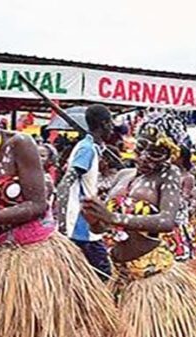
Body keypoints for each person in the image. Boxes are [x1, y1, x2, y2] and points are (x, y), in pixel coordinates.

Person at [0, 90, 117, 337]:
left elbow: (37, 204)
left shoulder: (19, 143)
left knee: (38, 328)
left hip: (33, 256)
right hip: (1, 255)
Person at [82, 112, 196, 337]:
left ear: (171, 155)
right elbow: (104, 229)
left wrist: (113, 217)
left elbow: (166, 221)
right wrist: (95, 221)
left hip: (152, 279)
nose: (144, 158)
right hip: (119, 276)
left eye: (155, 153)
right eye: (141, 148)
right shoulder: (123, 175)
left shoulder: (168, 175)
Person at [57, 104, 115, 281]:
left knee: (84, 275)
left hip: (83, 222)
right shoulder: (86, 149)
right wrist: (63, 222)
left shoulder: (91, 147)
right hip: (80, 225)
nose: (112, 128)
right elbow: (65, 185)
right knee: (102, 273)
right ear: (104, 124)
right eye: (111, 123)